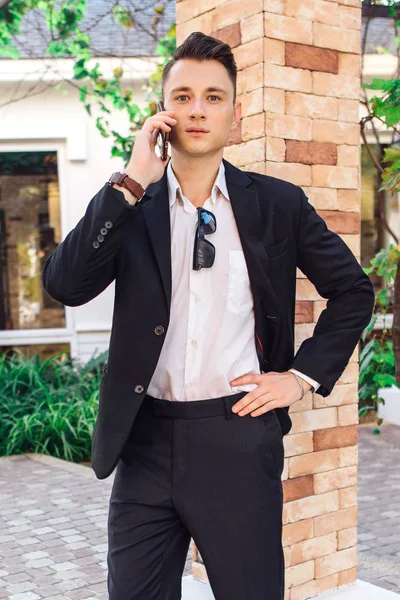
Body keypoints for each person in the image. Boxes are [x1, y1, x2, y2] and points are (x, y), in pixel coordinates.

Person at [42, 31, 375, 600]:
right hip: (144, 441)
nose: (197, 109)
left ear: (234, 115)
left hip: (237, 436)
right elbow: (65, 285)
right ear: (163, 112)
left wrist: (298, 379)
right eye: (183, 96)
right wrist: (129, 180)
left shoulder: (277, 204)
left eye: (213, 97)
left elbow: (352, 291)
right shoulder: (132, 203)